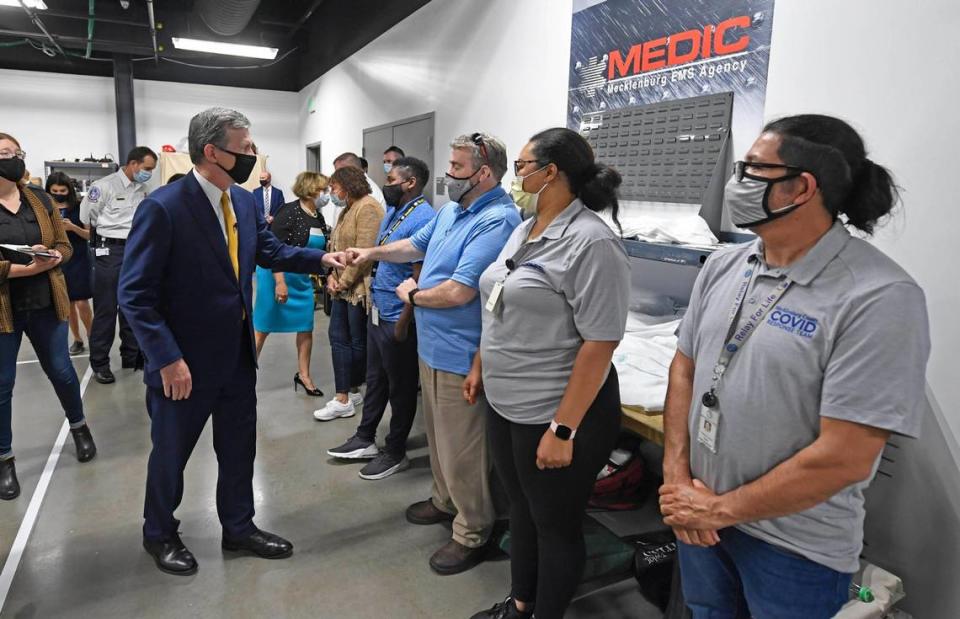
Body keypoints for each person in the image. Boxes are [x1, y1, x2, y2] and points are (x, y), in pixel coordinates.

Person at [658, 114, 931, 619]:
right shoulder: (724, 265)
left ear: (800, 188)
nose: (735, 182)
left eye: (752, 170)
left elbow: (844, 457)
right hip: (699, 514)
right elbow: (685, 369)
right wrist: (677, 478)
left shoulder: (877, 296)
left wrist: (718, 509)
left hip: (794, 546)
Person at [118, 108, 348, 576]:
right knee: (171, 454)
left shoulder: (242, 203)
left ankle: (239, 527)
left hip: (237, 358)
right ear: (211, 151)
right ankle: (159, 533)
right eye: (243, 148)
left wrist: (324, 258)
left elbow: (272, 251)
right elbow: (135, 295)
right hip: (182, 365)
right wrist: (166, 358)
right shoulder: (164, 207)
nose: (251, 155)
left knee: (239, 449)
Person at [468, 128, 630, 619]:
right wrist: (480, 364)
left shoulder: (592, 243)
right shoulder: (526, 228)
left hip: (556, 410)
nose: (516, 176)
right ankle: (521, 603)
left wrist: (563, 428)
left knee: (555, 523)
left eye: (521, 166)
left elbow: (601, 343)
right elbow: (499, 302)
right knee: (520, 509)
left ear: (550, 172)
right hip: (506, 399)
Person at [346, 133, 521, 575]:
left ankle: (472, 531)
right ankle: (445, 502)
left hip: (463, 353)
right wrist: (370, 252)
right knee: (442, 442)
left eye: (457, 169)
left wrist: (414, 295)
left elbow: (461, 290)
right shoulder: (451, 211)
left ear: (484, 174)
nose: (448, 176)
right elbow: (413, 246)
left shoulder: (497, 220)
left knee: (464, 450)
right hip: (432, 347)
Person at [0, 133, 97, 500]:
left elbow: (64, 244)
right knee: (2, 384)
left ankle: (80, 426)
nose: (13, 158)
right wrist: (19, 269)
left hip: (46, 302)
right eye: (4, 153)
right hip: (4, 309)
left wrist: (53, 256)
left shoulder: (39, 199)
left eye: (17, 152)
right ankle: (5, 459)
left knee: (61, 370)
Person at [327, 156, 435, 480]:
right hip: (378, 309)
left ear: (410, 182)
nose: (384, 186)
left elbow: (418, 275)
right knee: (375, 378)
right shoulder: (393, 212)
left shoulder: (424, 217)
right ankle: (365, 437)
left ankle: (396, 449)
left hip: (397, 318)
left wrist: (404, 323)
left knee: (400, 387)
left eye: (390, 181)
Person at [80, 145, 157, 384]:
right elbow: (86, 218)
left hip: (135, 248)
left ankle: (131, 356)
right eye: (147, 169)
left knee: (132, 304)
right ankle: (100, 363)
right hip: (109, 251)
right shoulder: (103, 187)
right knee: (106, 308)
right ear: (133, 164)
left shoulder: (143, 189)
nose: (149, 174)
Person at [313, 166, 384, 421]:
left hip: (356, 289)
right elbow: (336, 246)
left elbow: (363, 253)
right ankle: (348, 392)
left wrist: (341, 282)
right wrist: (332, 276)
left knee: (353, 342)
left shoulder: (368, 208)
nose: (332, 193)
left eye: (334, 188)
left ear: (348, 185)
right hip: (342, 286)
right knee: (339, 338)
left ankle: (345, 396)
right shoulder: (347, 209)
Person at [253, 171, 329, 397]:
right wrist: (280, 283)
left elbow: (320, 251)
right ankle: (244, 375)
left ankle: (304, 375)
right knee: (262, 327)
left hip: (301, 279)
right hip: (276, 275)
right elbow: (273, 251)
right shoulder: (288, 212)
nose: (326, 194)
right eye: (323, 190)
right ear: (311, 190)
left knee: (306, 327)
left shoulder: (318, 216)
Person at [45, 172, 93, 355]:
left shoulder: (80, 207)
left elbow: (90, 235)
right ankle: (77, 339)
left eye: (62, 190)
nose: (58, 193)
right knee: (68, 304)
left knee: (82, 302)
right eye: (54, 190)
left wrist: (73, 227)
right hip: (58, 259)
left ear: (69, 190)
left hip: (79, 258)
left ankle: (92, 336)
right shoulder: (46, 208)